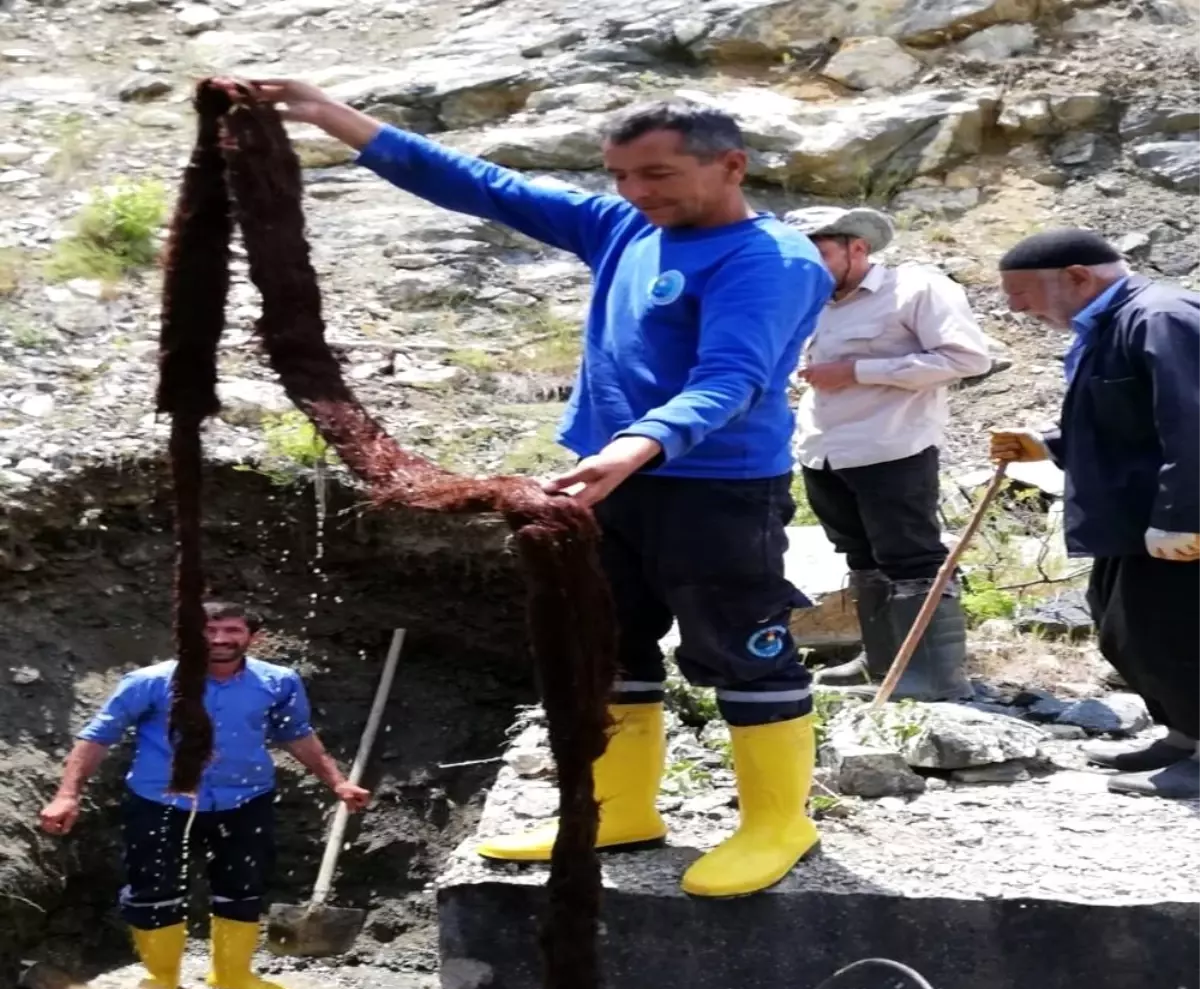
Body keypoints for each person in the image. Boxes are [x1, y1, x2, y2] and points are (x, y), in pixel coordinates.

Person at [254, 81, 834, 897]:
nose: (636, 192)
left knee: (742, 648)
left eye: (658, 174)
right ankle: (621, 807)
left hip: (716, 490)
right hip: (606, 482)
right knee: (607, 643)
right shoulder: (624, 226)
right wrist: (329, 116)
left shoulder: (768, 260)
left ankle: (778, 822)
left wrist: (636, 445)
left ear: (730, 165)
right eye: (621, 175)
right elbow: (483, 185)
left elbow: (730, 380)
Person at [38, 602, 371, 989]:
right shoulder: (149, 682)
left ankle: (232, 974)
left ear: (253, 637)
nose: (219, 640)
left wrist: (337, 782)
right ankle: (163, 982)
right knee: (153, 891)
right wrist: (67, 795)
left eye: (231, 630)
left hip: (247, 800)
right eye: (208, 631)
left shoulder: (278, 681)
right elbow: (97, 736)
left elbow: (296, 734)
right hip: (159, 801)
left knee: (242, 888)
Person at [991, 228, 1200, 798]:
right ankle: (1184, 735)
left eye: (1021, 291)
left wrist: (1185, 515)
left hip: (1173, 515)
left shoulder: (1161, 318)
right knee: (1125, 628)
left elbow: (1191, 422)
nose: (1014, 308)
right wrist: (1048, 444)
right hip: (1133, 516)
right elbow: (1122, 415)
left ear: (1078, 277)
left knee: (1177, 632)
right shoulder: (1112, 323)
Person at [782, 206, 991, 700]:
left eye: (819, 254)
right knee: (860, 556)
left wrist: (858, 371)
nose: (806, 267)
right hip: (823, 449)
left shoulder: (917, 288)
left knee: (912, 558)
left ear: (858, 247)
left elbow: (967, 358)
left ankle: (935, 678)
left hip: (891, 445)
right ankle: (882, 663)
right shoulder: (811, 301)